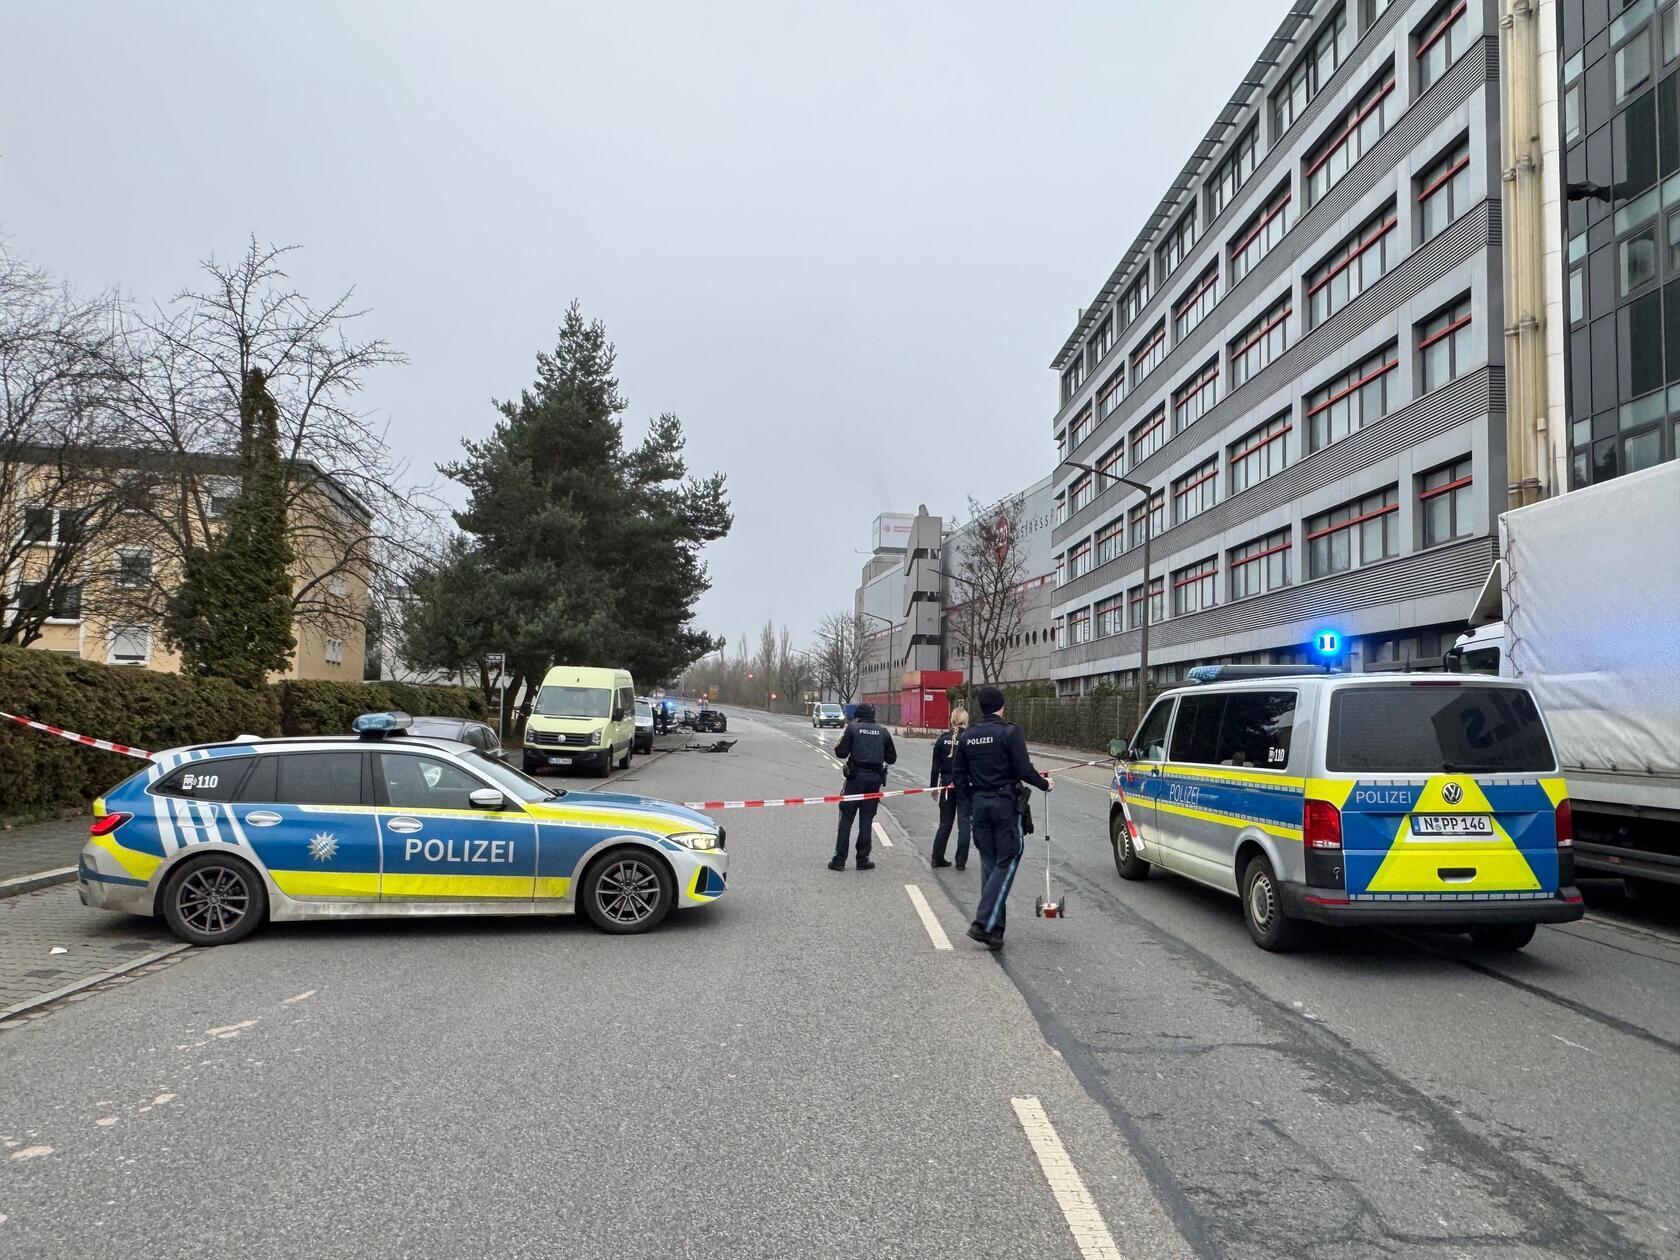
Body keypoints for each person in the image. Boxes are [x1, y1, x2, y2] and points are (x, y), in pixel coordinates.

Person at [953, 685, 1050, 949]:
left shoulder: (968, 736)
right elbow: (1023, 769)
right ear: (1001, 706)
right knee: (1008, 860)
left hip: (980, 804)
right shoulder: (1009, 731)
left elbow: (958, 775)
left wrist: (971, 799)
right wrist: (1044, 785)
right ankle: (982, 923)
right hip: (1004, 805)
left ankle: (995, 931)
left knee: (990, 865)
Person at [831, 702, 897, 871]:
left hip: (855, 779)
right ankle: (863, 859)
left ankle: (839, 860)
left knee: (846, 818)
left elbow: (840, 752)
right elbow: (891, 759)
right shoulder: (883, 732)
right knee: (866, 819)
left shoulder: (853, 728)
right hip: (874, 780)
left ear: (858, 715)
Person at [929, 706, 972, 869]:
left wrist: (933, 788)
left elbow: (935, 767)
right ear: (966, 721)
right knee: (964, 823)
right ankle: (961, 861)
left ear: (951, 720)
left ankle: (937, 857)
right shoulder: (969, 739)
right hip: (965, 785)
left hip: (946, 785)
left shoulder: (942, 739)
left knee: (945, 822)